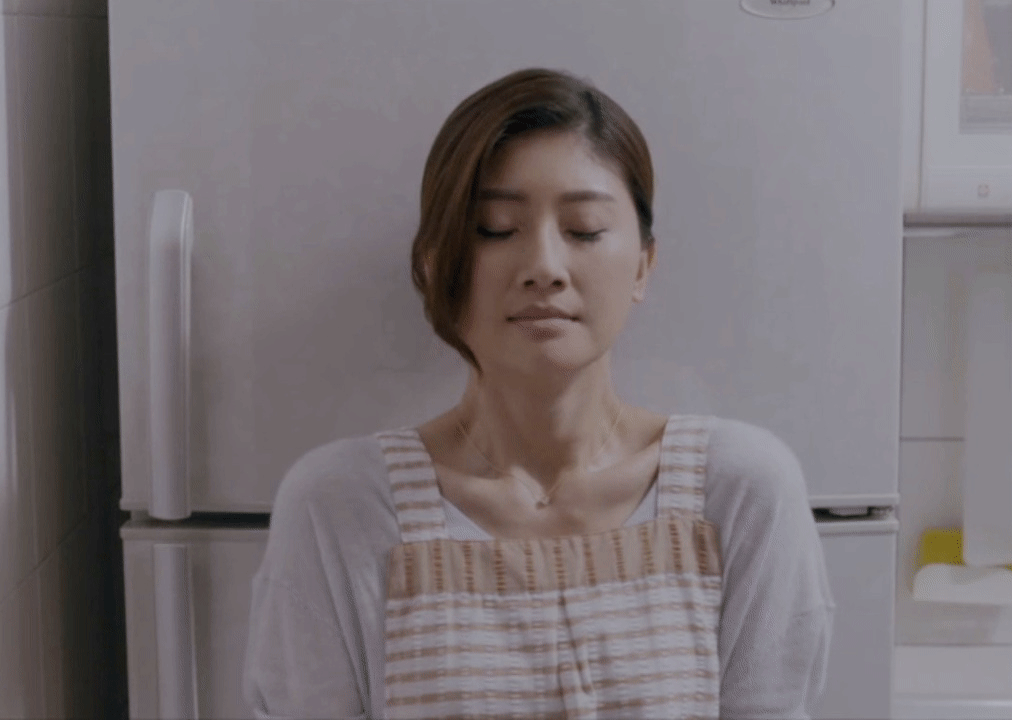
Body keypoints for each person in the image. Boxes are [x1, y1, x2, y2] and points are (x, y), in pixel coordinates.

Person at [242, 66, 835, 720]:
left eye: (584, 230)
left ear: (643, 264)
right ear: (435, 265)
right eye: (495, 228)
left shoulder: (740, 490)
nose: (545, 268)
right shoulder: (342, 504)